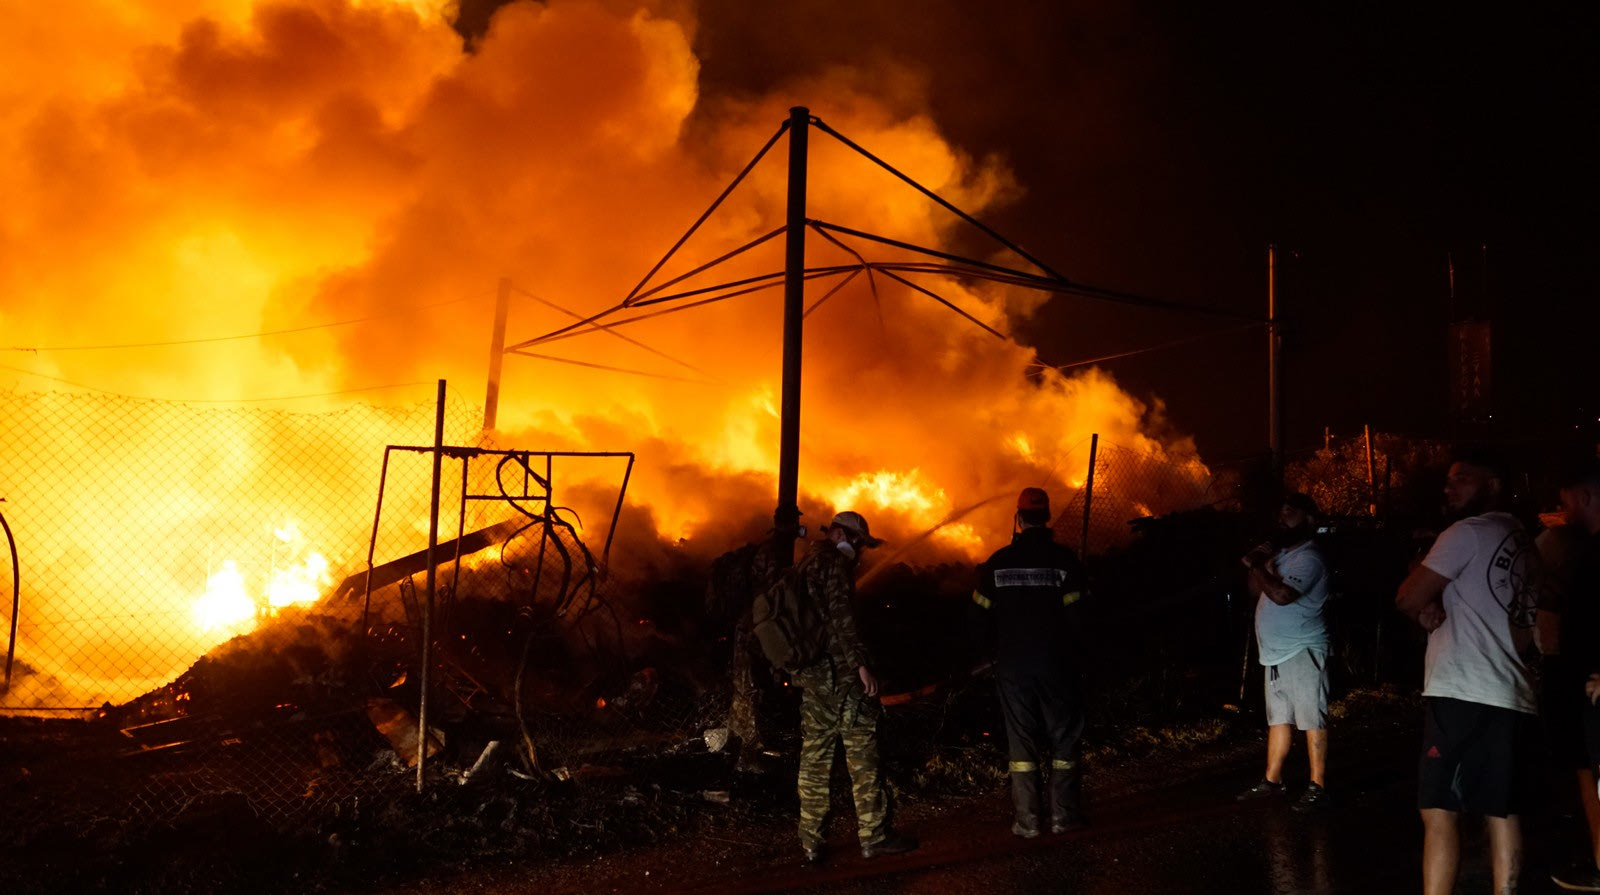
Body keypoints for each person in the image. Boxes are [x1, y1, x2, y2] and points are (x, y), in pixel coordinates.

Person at [1395, 449, 1539, 895]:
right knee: (1502, 810)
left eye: (1462, 479)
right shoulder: (1522, 539)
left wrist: (1421, 609)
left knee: (1439, 810)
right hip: (1513, 690)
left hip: (1461, 687)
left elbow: (1407, 596)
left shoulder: (1466, 532)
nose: (1449, 486)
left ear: (1492, 484)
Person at [792, 511, 917, 866]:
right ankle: (874, 836)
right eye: (859, 543)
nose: (860, 552)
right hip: (841, 678)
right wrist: (861, 665)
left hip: (813, 679)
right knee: (862, 754)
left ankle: (811, 843)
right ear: (843, 536)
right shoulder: (832, 565)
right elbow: (841, 618)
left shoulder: (805, 564)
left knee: (814, 760)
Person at [972, 487, 1088, 837]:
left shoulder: (998, 562)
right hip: (1056, 665)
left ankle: (1028, 821)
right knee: (1064, 739)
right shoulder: (1065, 561)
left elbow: (977, 619)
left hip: (1012, 667)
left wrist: (987, 656)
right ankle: (1064, 817)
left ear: (1018, 519)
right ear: (1048, 517)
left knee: (1022, 744)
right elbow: (1080, 619)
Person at [1235, 492, 1333, 811]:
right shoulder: (1282, 557)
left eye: (1292, 511)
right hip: (1276, 654)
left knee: (1310, 718)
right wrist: (1260, 565)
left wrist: (1257, 566)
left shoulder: (1310, 557)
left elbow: (1282, 595)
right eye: (1282, 510)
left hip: (1302, 648)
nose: (1283, 516)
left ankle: (1318, 785)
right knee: (1278, 719)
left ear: (1309, 520)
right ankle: (1272, 781)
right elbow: (1256, 589)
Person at [1550, 462, 1600, 892]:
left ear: (1585, 496)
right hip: (1582, 680)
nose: (1562, 509)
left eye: (1565, 500)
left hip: (1594, 685)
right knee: (1586, 766)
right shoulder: (1583, 550)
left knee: (1596, 770)